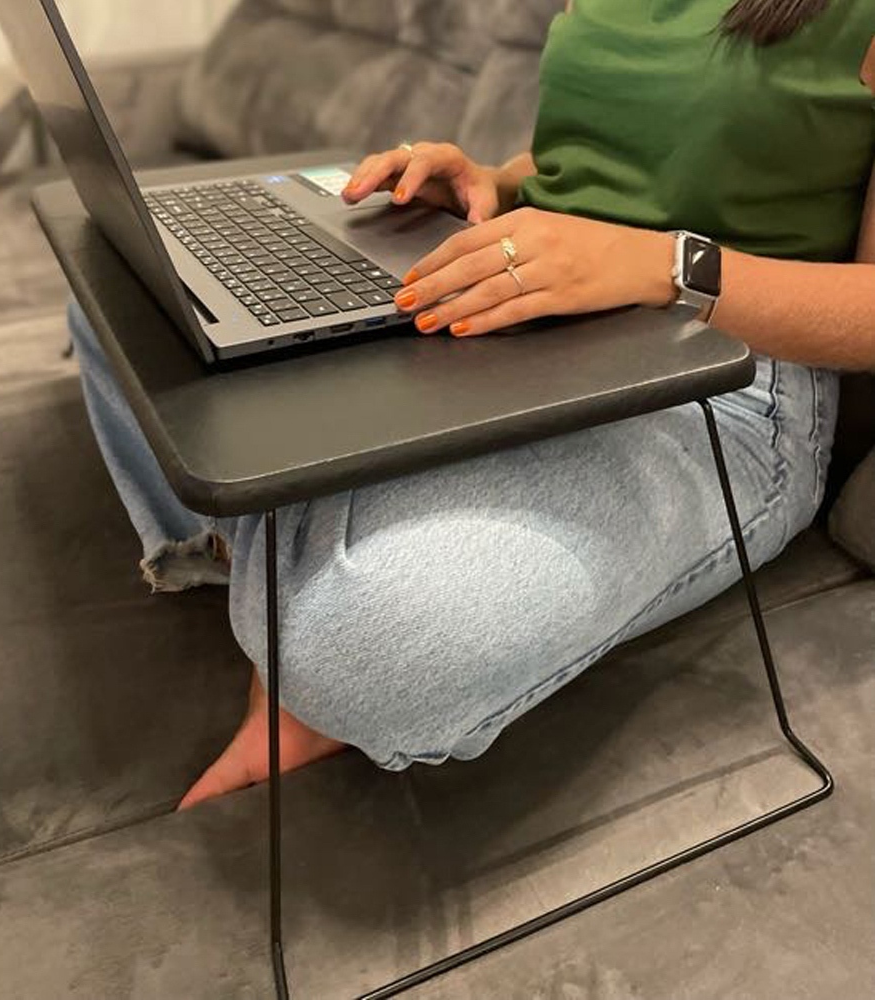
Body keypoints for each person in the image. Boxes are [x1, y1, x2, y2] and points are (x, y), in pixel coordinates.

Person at [66, 0, 875, 809]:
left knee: (355, 638)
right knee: (131, 295)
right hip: (534, 314)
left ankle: (266, 560)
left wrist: (666, 266)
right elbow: (595, 153)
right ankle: (280, 572)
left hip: (726, 384)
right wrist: (494, 183)